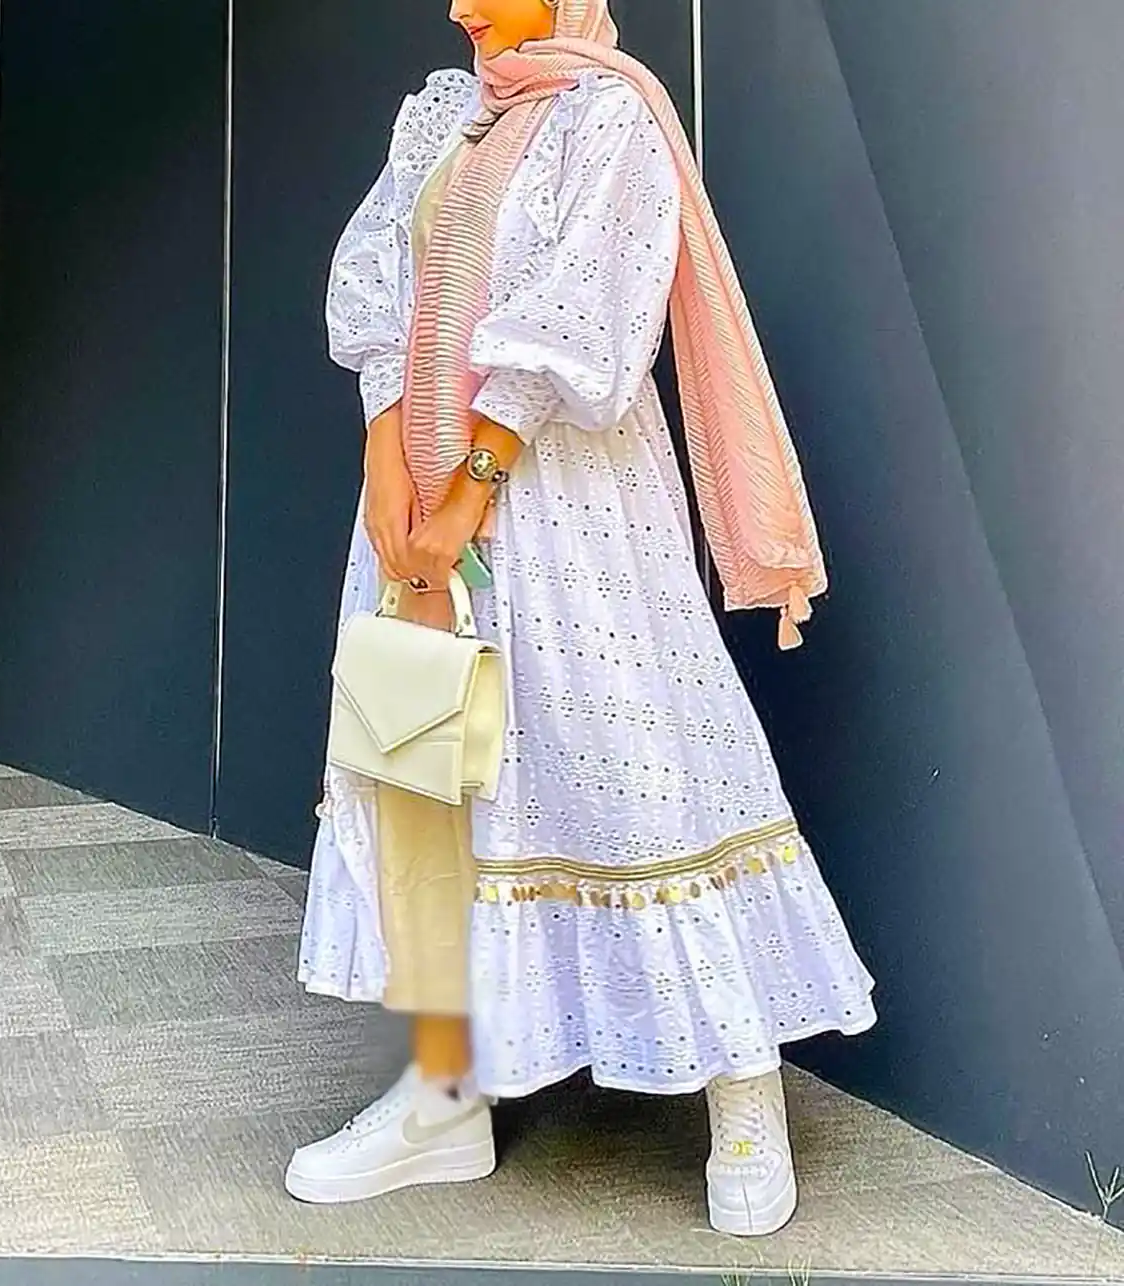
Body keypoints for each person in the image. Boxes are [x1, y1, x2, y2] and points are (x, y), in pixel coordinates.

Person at [289, 0, 875, 1237]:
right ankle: (443, 1095)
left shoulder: (611, 118)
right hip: (416, 516)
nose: (460, 7)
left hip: (572, 514)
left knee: (648, 773)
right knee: (424, 780)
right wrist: (389, 468)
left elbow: (584, 316)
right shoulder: (439, 115)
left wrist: (471, 489)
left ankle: (743, 1090)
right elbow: (383, 286)